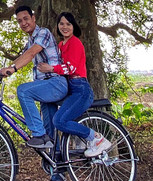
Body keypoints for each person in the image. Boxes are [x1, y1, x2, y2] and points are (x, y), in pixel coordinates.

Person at [0, 4, 69, 181]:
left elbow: (29, 56)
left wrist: (12, 69)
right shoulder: (30, 40)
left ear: (33, 18)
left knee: (23, 91)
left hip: (56, 83)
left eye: (26, 19)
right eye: (19, 21)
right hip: (47, 90)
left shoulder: (43, 33)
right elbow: (25, 54)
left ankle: (38, 134)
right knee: (51, 134)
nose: (23, 23)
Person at [36, 12, 112, 160]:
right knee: (49, 109)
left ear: (73, 26)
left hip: (80, 88)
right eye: (61, 24)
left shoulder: (75, 43)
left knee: (59, 121)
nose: (64, 27)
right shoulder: (60, 45)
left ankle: (96, 138)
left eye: (68, 24)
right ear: (57, 26)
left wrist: (50, 69)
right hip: (68, 88)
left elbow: (69, 68)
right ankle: (54, 156)